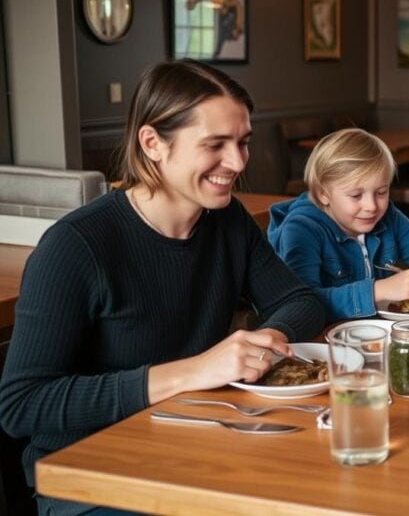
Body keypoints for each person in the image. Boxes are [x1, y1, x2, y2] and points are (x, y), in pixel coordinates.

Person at [0, 60, 325, 516]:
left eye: (243, 142)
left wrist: (267, 339)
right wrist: (194, 371)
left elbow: (299, 300)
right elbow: (22, 405)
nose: (237, 162)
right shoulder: (75, 246)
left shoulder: (227, 220)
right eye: (215, 144)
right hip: (92, 479)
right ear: (152, 143)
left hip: (194, 444)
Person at [267, 128, 409, 320]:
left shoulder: (388, 217)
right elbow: (301, 304)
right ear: (323, 194)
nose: (372, 206)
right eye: (356, 195)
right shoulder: (302, 229)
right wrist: (377, 291)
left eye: (381, 192)